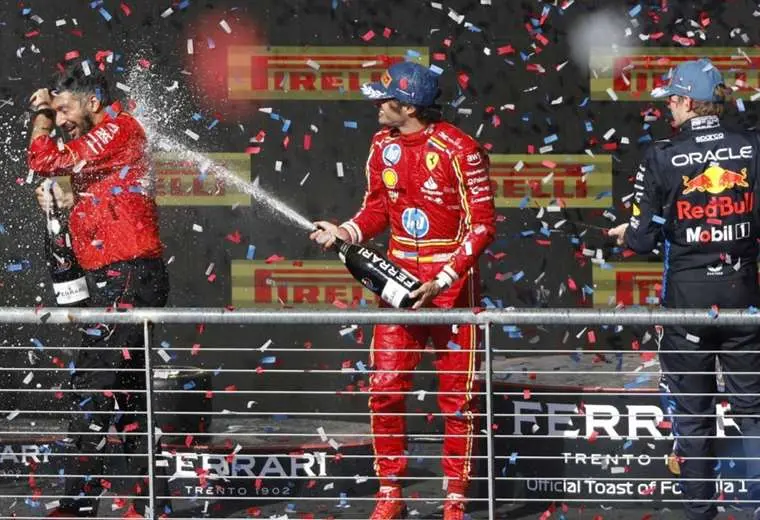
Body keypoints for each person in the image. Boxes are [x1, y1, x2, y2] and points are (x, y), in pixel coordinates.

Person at [310, 61, 496, 520]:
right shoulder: (380, 144)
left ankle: (456, 498)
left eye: (385, 97)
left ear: (408, 106)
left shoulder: (461, 149)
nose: (377, 103)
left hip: (451, 289)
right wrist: (346, 233)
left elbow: (482, 226)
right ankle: (390, 491)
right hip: (398, 283)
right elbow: (375, 210)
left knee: (458, 398)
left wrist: (444, 279)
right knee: (386, 388)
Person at [609, 58, 760, 520]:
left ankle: (700, 512)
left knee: (692, 418)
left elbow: (640, 239)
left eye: (671, 100)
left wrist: (626, 233)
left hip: (686, 308)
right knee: (755, 413)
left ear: (688, 102)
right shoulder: (753, 147)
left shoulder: (661, 155)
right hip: (744, 302)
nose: (667, 110)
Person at [27, 63, 169, 519]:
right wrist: (60, 207)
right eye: (56, 113)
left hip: (129, 275)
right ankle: (150, 505)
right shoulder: (99, 151)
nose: (61, 119)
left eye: (66, 109)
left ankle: (76, 505)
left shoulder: (120, 127)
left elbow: (44, 160)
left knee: (93, 387)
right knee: (127, 394)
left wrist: (42, 117)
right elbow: (91, 199)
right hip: (117, 276)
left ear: (92, 103)